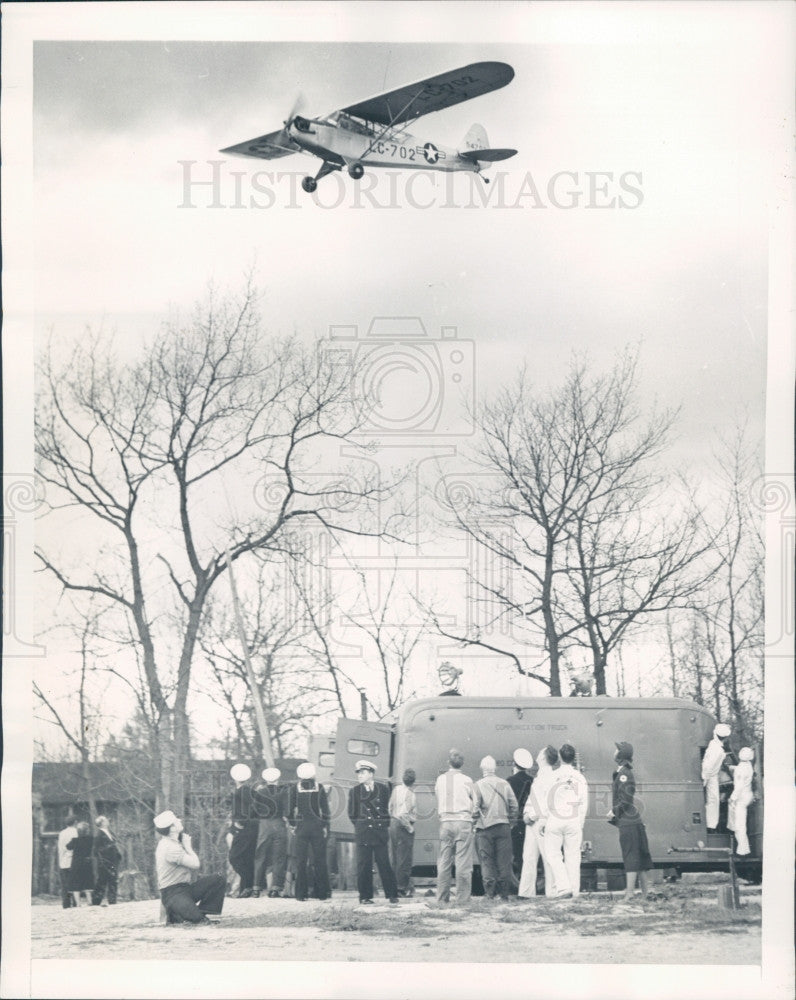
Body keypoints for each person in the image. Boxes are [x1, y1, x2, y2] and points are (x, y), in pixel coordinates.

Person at [154, 809, 226, 924]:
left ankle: (199, 911)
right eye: (176, 820)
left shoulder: (171, 842)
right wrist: (188, 847)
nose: (179, 820)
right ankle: (179, 913)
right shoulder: (169, 848)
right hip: (173, 894)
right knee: (199, 920)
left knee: (218, 879)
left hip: (185, 889)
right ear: (172, 828)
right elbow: (196, 865)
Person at [431, 748, 480, 907]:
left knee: (444, 861)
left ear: (448, 763)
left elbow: (438, 796)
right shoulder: (467, 780)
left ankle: (442, 899)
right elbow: (477, 802)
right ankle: (463, 900)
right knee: (463, 862)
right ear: (462, 764)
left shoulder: (440, 779)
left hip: (446, 822)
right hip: (463, 822)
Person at [348, 760, 398, 904]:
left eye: (363, 773)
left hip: (379, 833)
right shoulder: (355, 791)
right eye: (358, 773)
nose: (359, 776)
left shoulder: (383, 789)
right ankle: (365, 897)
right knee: (364, 865)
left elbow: (386, 810)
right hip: (363, 833)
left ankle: (392, 894)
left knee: (384, 864)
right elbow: (352, 813)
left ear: (371, 774)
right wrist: (361, 825)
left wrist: (383, 825)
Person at [607, 741, 652, 900]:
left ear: (620, 755)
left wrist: (614, 811)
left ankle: (630, 893)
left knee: (631, 856)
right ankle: (646, 893)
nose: (614, 752)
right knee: (640, 857)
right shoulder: (622, 772)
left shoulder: (624, 774)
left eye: (616, 750)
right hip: (633, 821)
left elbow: (625, 800)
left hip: (628, 821)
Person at [543, 744, 589, 899]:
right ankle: (574, 891)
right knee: (573, 857)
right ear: (573, 758)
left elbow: (546, 799)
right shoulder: (580, 778)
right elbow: (584, 802)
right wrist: (580, 823)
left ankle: (563, 886)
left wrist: (545, 818)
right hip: (574, 819)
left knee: (553, 855)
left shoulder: (552, 776)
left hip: (555, 818)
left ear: (560, 757)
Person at [474, 755, 518, 901]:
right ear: (495, 768)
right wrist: (510, 822)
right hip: (503, 827)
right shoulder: (504, 783)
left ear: (482, 769)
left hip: (484, 828)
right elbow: (514, 806)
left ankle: (489, 894)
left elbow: (475, 809)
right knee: (504, 861)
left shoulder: (478, 785)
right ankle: (504, 894)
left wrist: (475, 823)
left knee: (487, 861)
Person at [286, 762, 331, 901]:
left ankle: (301, 894)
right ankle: (322, 893)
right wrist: (323, 825)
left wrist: (293, 825)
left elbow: (289, 811)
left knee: (301, 861)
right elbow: (326, 811)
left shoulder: (295, 788)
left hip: (301, 827)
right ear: (313, 774)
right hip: (317, 826)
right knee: (320, 860)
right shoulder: (320, 787)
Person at [518, 745, 559, 898]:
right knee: (529, 856)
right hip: (534, 821)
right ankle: (526, 892)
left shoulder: (548, 777)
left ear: (543, 757)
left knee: (546, 857)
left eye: (540, 751)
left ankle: (552, 892)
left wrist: (530, 815)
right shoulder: (541, 776)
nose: (538, 753)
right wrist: (527, 813)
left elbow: (545, 802)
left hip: (541, 821)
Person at [252, 767, 288, 898]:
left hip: (264, 824)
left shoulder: (259, 792)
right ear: (277, 779)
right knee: (279, 857)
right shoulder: (283, 792)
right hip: (278, 823)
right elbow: (287, 810)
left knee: (260, 855)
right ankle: (275, 888)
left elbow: (254, 810)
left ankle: (256, 888)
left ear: (265, 779)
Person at [228, 763, 258, 897]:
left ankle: (248, 885)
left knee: (234, 857)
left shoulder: (241, 792)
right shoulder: (250, 791)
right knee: (247, 858)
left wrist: (241, 822)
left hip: (244, 830)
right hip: (252, 829)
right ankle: (246, 888)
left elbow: (249, 810)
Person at [507, 749, 535, 887]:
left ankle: (522, 885)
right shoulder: (532, 781)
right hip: (530, 822)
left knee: (517, 854)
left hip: (515, 823)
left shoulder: (509, 781)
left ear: (514, 764)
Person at [388, 768, 417, 897]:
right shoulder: (411, 794)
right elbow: (404, 814)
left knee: (395, 857)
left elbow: (390, 808)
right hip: (403, 826)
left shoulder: (396, 790)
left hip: (393, 824)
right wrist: (410, 828)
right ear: (413, 782)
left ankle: (393, 886)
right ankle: (401, 888)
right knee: (404, 858)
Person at [701, 723, 732, 831]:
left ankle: (711, 824)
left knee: (713, 800)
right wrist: (705, 779)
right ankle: (710, 825)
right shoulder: (717, 750)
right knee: (713, 800)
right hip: (710, 776)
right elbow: (708, 766)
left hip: (710, 775)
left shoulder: (713, 744)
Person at [728, 747, 755, 856]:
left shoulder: (741, 769)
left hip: (741, 797)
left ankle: (743, 850)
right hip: (747, 794)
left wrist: (732, 798)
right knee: (740, 823)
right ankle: (743, 848)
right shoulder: (747, 765)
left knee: (739, 824)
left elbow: (738, 786)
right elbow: (741, 770)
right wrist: (731, 767)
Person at [91, 815, 122, 906]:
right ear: (102, 823)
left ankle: (112, 901)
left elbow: (115, 844)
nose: (107, 821)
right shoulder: (99, 834)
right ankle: (96, 901)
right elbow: (96, 850)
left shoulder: (110, 832)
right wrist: (108, 848)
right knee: (102, 881)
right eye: (105, 820)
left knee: (113, 880)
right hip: (104, 862)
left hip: (113, 860)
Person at [66, 820, 95, 906]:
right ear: (87, 830)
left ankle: (78, 903)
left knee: (75, 881)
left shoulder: (75, 840)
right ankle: (89, 901)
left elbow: (68, 847)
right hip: (87, 862)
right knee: (87, 881)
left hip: (76, 863)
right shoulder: (91, 839)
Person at [57, 813, 78, 909]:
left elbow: (61, 848)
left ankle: (66, 903)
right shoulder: (76, 832)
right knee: (74, 882)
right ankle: (75, 902)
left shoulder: (62, 833)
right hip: (74, 860)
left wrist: (61, 860)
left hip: (64, 860)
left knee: (66, 884)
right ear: (75, 822)